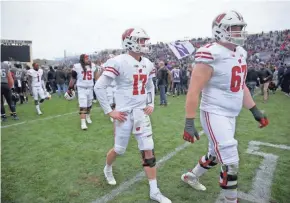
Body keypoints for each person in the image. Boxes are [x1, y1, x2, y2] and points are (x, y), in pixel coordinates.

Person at [181, 11, 269, 203]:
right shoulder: (210, 53)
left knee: (214, 154)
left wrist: (255, 110)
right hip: (214, 112)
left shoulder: (241, 52)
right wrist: (189, 121)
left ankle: (191, 176)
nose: (239, 32)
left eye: (240, 28)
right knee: (231, 162)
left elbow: (241, 86)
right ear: (220, 30)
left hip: (231, 113)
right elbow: (194, 90)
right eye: (234, 28)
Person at [94, 27, 171, 203]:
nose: (145, 44)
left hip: (141, 113)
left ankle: (154, 190)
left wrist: (150, 103)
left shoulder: (148, 63)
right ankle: (107, 168)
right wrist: (109, 111)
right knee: (119, 149)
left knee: (148, 150)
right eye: (141, 40)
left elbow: (150, 86)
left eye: (145, 40)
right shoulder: (118, 61)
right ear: (130, 41)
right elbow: (99, 86)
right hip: (124, 114)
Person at [65, 54, 98, 130]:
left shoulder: (92, 66)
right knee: (83, 105)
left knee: (89, 105)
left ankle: (88, 116)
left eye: (88, 58)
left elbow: (96, 76)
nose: (88, 59)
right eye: (86, 58)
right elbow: (73, 78)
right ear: (82, 59)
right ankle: (83, 123)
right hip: (81, 88)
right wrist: (70, 88)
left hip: (90, 88)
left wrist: (100, 70)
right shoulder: (77, 66)